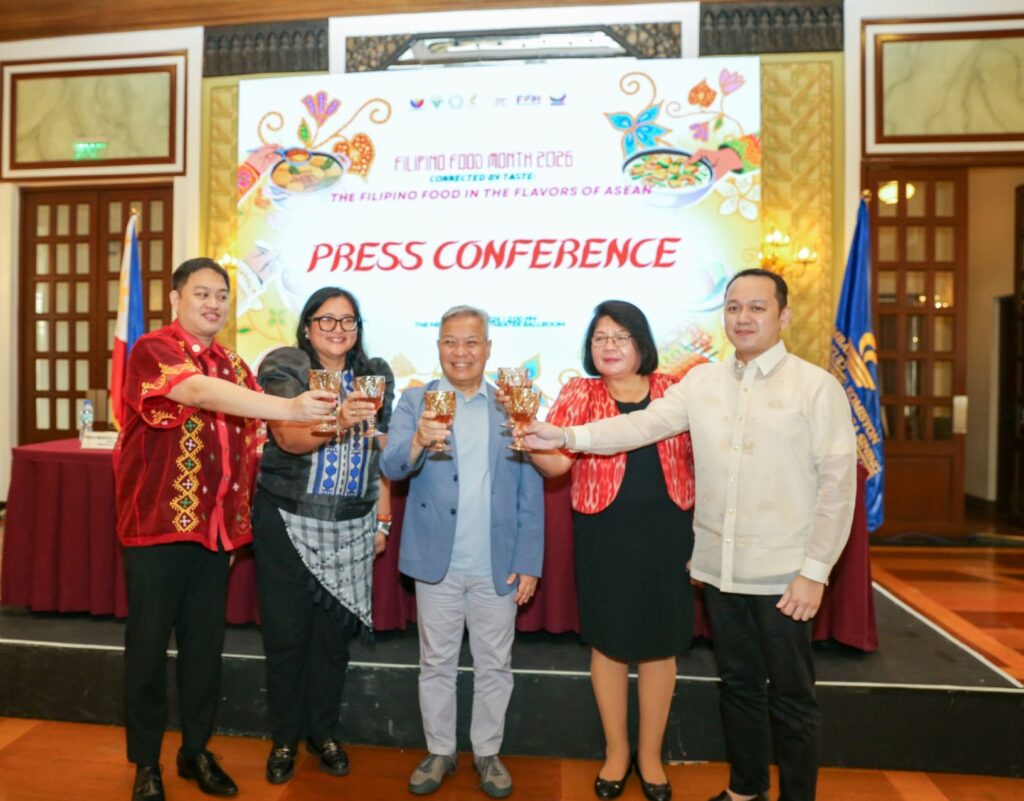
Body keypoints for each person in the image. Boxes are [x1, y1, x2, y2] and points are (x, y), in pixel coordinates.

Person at [526, 269, 857, 801]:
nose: (743, 318)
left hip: (784, 573)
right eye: (733, 308)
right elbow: (638, 427)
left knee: (792, 699)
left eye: (756, 308)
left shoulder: (816, 387)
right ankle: (746, 789)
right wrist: (565, 434)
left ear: (783, 316)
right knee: (741, 689)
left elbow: (839, 488)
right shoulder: (701, 383)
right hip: (719, 569)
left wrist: (815, 571)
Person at [114, 258, 337, 801]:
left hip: (213, 537)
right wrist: (287, 402)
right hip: (157, 531)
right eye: (201, 294)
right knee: (147, 651)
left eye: (221, 296)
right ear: (175, 299)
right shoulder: (154, 350)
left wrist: (340, 417)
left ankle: (195, 751)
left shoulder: (236, 365)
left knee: (203, 651)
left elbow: (262, 440)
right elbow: (196, 395)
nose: (213, 304)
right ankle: (147, 762)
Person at [524, 300, 696, 801]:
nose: (610, 346)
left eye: (620, 336)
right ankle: (617, 753)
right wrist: (528, 437)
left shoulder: (675, 391)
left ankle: (651, 757)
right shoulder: (580, 392)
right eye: (600, 338)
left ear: (641, 342)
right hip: (604, 530)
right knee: (609, 639)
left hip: (670, 530)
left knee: (663, 640)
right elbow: (556, 465)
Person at [381, 305, 544, 799]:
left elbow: (529, 491)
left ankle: (488, 754)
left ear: (488, 349)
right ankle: (440, 751)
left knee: (496, 663)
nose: (461, 352)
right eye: (451, 342)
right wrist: (416, 441)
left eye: (472, 342)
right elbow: (390, 463)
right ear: (438, 349)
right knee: (437, 663)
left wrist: (529, 561)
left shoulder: (512, 405)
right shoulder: (417, 400)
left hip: (497, 563)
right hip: (438, 563)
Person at [252, 286, 395, 785]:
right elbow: (289, 440)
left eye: (348, 321)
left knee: (333, 642)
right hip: (288, 521)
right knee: (288, 638)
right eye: (327, 320)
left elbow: (381, 455)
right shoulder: (285, 367)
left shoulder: (375, 374)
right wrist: (339, 420)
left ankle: (323, 733)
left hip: (353, 527)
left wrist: (382, 521)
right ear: (308, 326)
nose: (338, 330)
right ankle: (284, 740)